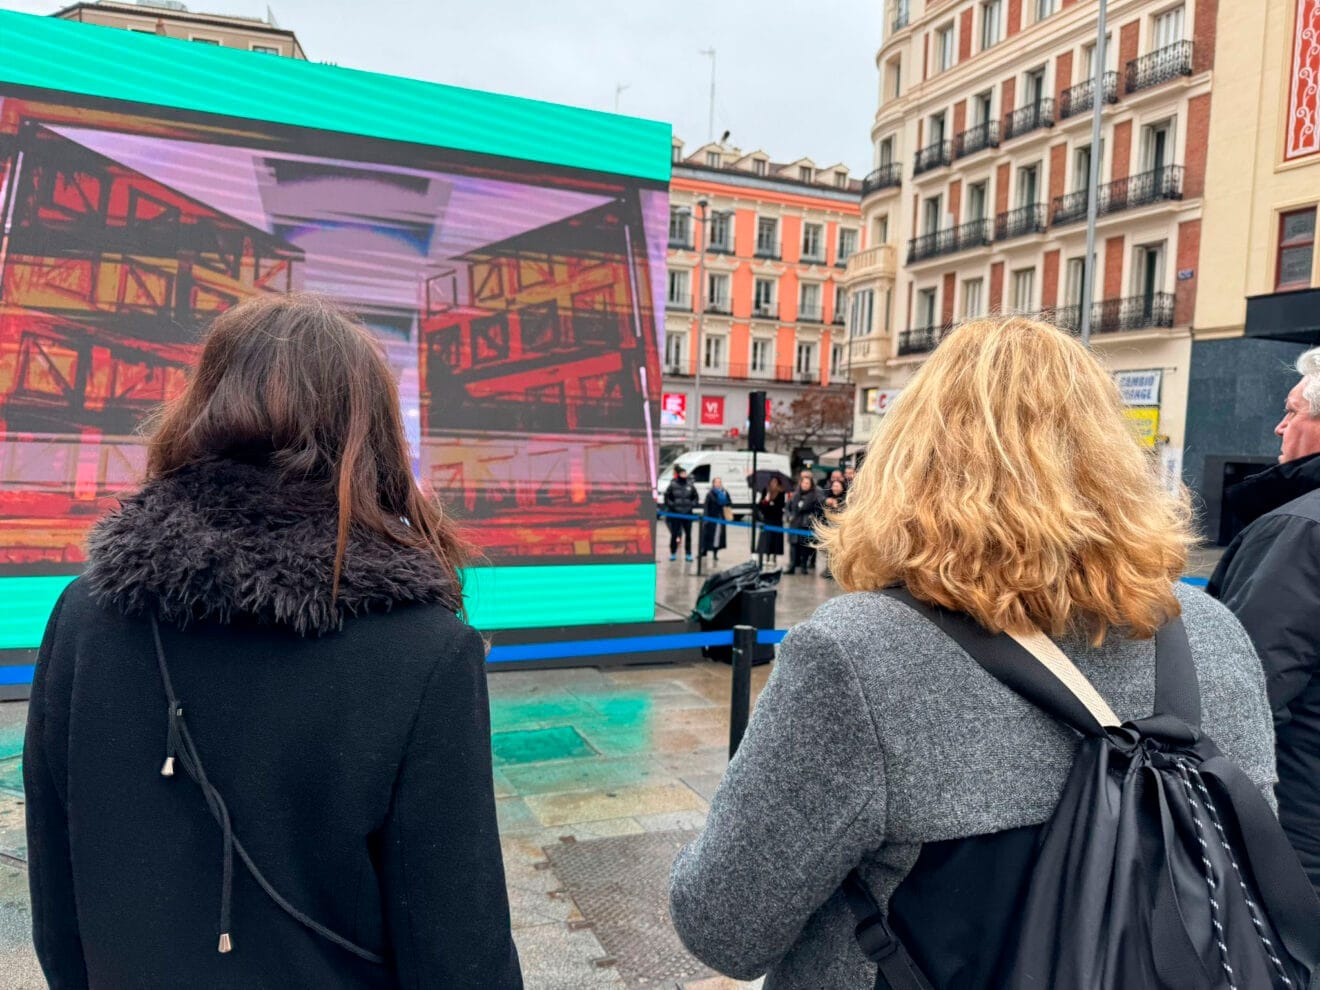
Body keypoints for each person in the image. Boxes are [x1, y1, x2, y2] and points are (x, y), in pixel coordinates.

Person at [670, 316, 1277, 988]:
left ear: (909, 460)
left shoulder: (860, 654)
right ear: (1115, 459)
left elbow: (724, 929)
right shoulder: (1213, 629)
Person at [23, 295, 523, 989]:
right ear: (374, 436)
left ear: (203, 409)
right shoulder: (426, 652)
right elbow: (460, 951)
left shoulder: (85, 616)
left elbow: (57, 907)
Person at [1209, 345, 1320, 893]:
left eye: (1293, 411)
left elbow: (1246, 694)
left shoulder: (1300, 531)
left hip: (1296, 833)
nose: (1280, 427)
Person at [785, 473, 824, 575]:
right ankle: (792, 566)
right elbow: (788, 508)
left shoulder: (815, 496)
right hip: (794, 524)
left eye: (807, 483)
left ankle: (804, 566)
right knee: (793, 546)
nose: (805, 485)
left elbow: (819, 510)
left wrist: (813, 516)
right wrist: (789, 516)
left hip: (806, 524)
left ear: (811, 485)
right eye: (804, 483)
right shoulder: (795, 495)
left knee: (804, 547)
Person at [663, 466, 699, 561]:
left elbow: (696, 497)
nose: (684, 475)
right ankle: (673, 553)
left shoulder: (690, 485)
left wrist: (691, 505)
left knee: (688, 535)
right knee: (674, 534)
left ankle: (688, 554)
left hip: (688, 514)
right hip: (676, 514)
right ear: (679, 474)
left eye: (685, 473)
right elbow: (666, 497)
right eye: (682, 473)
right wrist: (673, 505)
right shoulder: (673, 484)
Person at [755, 476, 786, 566]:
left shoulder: (781, 492)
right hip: (767, 519)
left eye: (775, 482)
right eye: (772, 482)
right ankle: (767, 556)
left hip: (776, 519)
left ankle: (774, 558)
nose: (773, 484)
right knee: (766, 539)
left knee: (775, 539)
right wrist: (766, 501)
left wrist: (771, 504)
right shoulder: (766, 491)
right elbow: (760, 506)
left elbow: (780, 506)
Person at [700, 477, 732, 563]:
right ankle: (704, 551)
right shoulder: (710, 493)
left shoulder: (724, 492)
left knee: (717, 536)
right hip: (711, 517)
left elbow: (729, 503)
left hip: (720, 517)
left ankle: (715, 553)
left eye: (719, 482)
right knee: (707, 535)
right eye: (716, 482)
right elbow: (706, 506)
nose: (718, 484)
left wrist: (725, 501)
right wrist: (706, 517)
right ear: (713, 483)